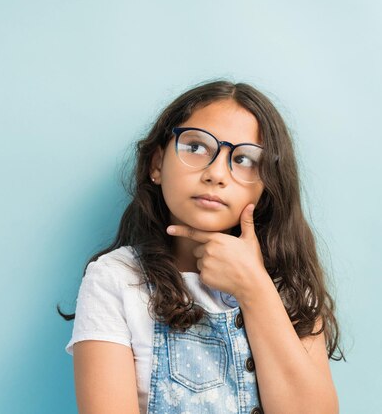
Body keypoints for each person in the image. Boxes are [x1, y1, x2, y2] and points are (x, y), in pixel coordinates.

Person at [57, 80, 345, 414]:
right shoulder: (115, 280)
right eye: (196, 147)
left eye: (245, 159)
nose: (216, 173)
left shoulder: (288, 287)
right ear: (156, 165)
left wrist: (254, 289)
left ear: (266, 188)